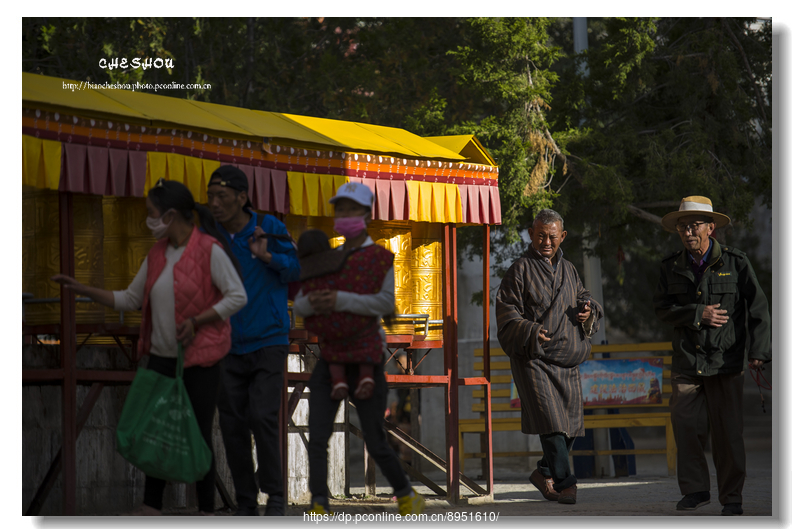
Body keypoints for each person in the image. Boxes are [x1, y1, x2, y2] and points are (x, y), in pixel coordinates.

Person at [51, 178, 247, 516]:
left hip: (199, 360)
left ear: (171, 215)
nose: (149, 220)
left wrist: (198, 321)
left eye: (152, 214)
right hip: (159, 357)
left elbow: (237, 296)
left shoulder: (208, 250)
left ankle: (205, 510)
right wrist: (80, 287)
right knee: (157, 428)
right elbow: (129, 298)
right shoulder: (157, 253)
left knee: (195, 433)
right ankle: (151, 505)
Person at [293, 182, 425, 516]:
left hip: (366, 355)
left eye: (351, 209)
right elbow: (302, 304)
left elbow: (385, 302)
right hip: (331, 356)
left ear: (366, 215)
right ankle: (319, 503)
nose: (344, 216)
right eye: (339, 210)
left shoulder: (380, 258)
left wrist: (339, 300)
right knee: (318, 436)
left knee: (375, 438)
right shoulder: (330, 257)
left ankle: (406, 495)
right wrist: (315, 302)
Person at [653, 196, 771, 516]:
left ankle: (732, 497)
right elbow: (662, 310)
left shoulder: (736, 262)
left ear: (711, 228)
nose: (688, 231)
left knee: (728, 433)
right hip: (687, 361)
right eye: (682, 226)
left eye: (694, 225)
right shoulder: (671, 266)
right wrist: (696, 313)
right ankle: (696, 490)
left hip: (726, 361)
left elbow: (758, 308)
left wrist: (759, 351)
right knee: (685, 425)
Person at [206, 165, 301, 516]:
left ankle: (275, 496)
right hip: (226, 343)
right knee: (231, 423)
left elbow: (296, 269)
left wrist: (267, 256)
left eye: (223, 197)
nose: (215, 203)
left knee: (263, 416)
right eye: (210, 197)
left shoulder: (269, 227)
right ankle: (245, 501)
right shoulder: (211, 234)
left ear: (242, 198)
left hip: (268, 339)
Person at [495, 209, 603, 505]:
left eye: (552, 236)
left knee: (568, 426)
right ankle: (567, 483)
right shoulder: (520, 269)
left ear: (562, 237)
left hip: (567, 358)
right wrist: (530, 331)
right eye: (540, 235)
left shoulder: (569, 269)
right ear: (531, 234)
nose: (546, 241)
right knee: (552, 422)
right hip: (534, 357)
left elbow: (584, 296)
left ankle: (544, 471)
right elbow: (507, 313)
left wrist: (587, 309)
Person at [297, 229, 383, 401]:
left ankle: (338, 382)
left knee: (334, 352)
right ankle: (365, 377)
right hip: (357, 323)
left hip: (332, 325)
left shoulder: (309, 273)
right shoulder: (344, 265)